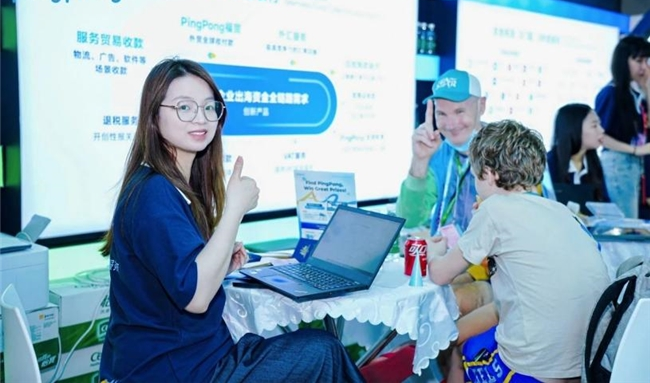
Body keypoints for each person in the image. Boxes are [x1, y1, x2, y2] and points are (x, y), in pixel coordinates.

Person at [99, 58, 365, 383]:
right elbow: (196, 298)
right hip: (180, 370)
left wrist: (219, 265)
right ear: (154, 115)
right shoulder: (155, 192)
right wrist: (234, 209)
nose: (201, 117)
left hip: (177, 360)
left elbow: (174, 277)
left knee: (317, 350)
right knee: (323, 351)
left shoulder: (156, 184)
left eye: (209, 107)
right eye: (184, 107)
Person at [426, 120, 610, 383]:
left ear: (488, 174)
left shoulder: (494, 210)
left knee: (459, 348)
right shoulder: (560, 210)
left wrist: (435, 251)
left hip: (534, 366)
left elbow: (439, 275)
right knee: (469, 328)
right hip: (585, 362)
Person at [395, 69, 492, 315]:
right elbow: (409, 218)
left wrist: (461, 271)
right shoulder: (437, 150)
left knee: (438, 304)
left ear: (481, 106)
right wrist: (420, 160)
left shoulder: (504, 149)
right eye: (442, 113)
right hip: (444, 261)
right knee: (412, 298)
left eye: (460, 111)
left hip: (492, 271)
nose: (450, 124)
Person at [595, 35, 650, 218]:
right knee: (626, 221)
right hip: (619, 162)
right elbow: (601, 136)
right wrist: (635, 150)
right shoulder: (611, 93)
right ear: (623, 61)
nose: (644, 67)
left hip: (634, 164)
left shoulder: (637, 93)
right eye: (638, 61)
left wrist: (647, 88)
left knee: (633, 220)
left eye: (646, 61)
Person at [547, 103, 609, 214]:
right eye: (594, 126)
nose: (601, 130)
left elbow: (604, 203)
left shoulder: (594, 164)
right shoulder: (548, 164)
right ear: (574, 128)